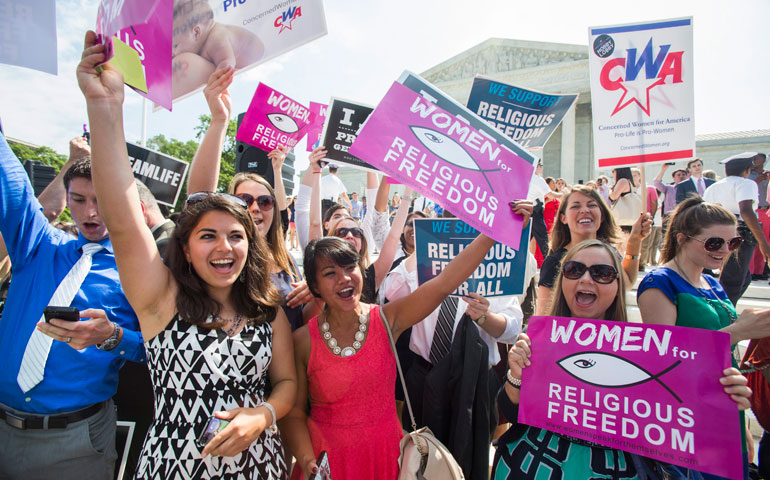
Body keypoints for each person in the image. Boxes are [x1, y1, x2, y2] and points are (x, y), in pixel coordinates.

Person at [77, 32, 296, 478]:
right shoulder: (161, 300)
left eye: (236, 236)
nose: (223, 247)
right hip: (175, 468)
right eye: (207, 236)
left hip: (261, 468)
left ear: (250, 246)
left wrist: (264, 415)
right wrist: (104, 109)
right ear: (185, 247)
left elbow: (288, 384)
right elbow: (122, 220)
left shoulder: (266, 310)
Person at [280, 231, 499, 480]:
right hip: (327, 461)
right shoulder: (302, 341)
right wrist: (308, 459)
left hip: (385, 457)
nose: (344, 278)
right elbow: (294, 413)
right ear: (315, 286)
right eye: (330, 273)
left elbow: (444, 283)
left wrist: (493, 234)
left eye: (350, 267)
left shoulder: (386, 320)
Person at [0, 137, 144, 478]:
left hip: (77, 442)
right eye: (79, 199)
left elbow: (160, 350)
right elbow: (11, 180)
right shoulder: (37, 245)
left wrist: (113, 336)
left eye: (101, 200)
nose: (90, 212)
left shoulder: (141, 269)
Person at [637, 196, 770, 477]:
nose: (725, 250)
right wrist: (738, 332)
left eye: (733, 243)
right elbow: (663, 361)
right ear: (683, 239)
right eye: (714, 242)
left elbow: (726, 358)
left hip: (725, 404)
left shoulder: (712, 283)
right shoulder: (659, 283)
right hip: (687, 413)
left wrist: (742, 423)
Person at [187, 67, 313, 330]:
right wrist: (219, 121)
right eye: (245, 200)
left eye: (265, 202)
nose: (255, 208)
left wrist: (314, 293)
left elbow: (301, 323)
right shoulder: (225, 259)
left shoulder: (288, 263)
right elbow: (196, 201)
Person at [536, 185, 651, 315]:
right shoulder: (554, 262)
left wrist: (635, 241)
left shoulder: (609, 254)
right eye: (575, 206)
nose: (585, 210)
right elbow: (543, 317)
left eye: (591, 205)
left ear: (602, 216)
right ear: (563, 218)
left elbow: (627, 283)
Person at [704, 153, 770, 305]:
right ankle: (722, 316)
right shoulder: (746, 183)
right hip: (738, 233)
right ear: (747, 170)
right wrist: (763, 242)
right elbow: (746, 211)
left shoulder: (714, 186)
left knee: (742, 277)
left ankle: (723, 310)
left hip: (715, 230)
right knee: (733, 281)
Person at [171, 0, 264, 98]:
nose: (172, 53)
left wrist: (213, 83)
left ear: (196, 33)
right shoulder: (201, 42)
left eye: (175, 46)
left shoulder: (217, 40)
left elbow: (227, 64)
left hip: (256, 59)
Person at [749, 153, 769, 279]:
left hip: (766, 210)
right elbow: (748, 187)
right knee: (755, 241)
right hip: (754, 210)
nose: (755, 161)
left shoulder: (767, 173)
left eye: (758, 158)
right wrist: (758, 180)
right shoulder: (749, 174)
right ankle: (750, 271)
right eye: (754, 159)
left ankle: (759, 271)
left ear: (764, 160)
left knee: (765, 241)